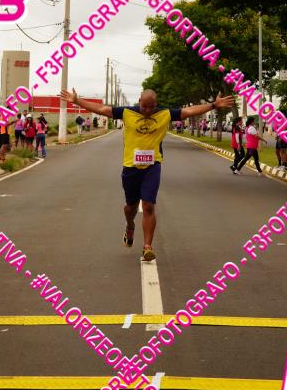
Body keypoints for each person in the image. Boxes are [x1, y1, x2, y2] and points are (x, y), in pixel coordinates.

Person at [62, 87, 234, 261]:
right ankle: (130, 225)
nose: (147, 111)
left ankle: (147, 247)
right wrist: (77, 101)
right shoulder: (127, 112)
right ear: (139, 102)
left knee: (149, 206)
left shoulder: (165, 114)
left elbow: (188, 111)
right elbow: (101, 109)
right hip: (130, 167)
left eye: (151, 107)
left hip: (152, 166)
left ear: (156, 105)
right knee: (130, 207)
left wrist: (213, 105)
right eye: (144, 107)